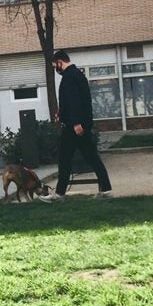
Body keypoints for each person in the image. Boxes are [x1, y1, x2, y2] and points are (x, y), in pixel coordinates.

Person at [39, 50, 112, 201]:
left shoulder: (69, 77)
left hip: (74, 127)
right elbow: (76, 101)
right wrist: (62, 114)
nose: (56, 69)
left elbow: (74, 102)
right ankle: (105, 189)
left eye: (55, 66)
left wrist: (75, 122)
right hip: (79, 124)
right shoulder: (77, 74)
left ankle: (60, 194)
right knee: (92, 157)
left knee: (65, 159)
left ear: (60, 61)